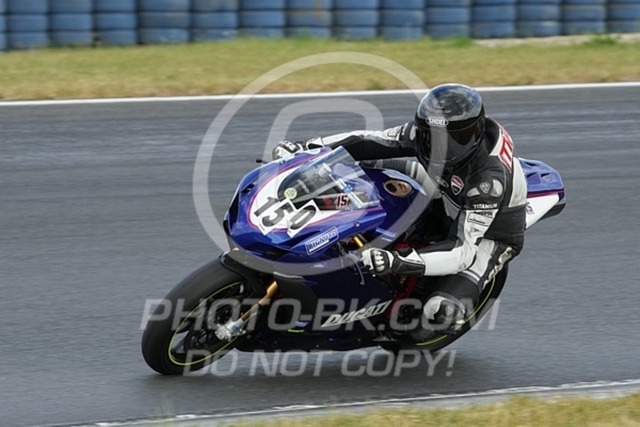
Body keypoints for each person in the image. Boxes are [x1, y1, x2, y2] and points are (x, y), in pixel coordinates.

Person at [272, 83, 528, 339]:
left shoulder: (488, 182)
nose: (443, 148)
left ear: (477, 132)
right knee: (365, 164)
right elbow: (369, 140)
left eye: (455, 140)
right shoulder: (419, 133)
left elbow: (463, 252)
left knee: (442, 311)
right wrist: (307, 147)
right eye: (434, 138)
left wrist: (397, 261)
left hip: (491, 231)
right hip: (445, 187)